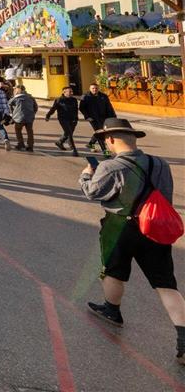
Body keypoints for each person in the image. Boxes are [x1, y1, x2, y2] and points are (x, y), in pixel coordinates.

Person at [79, 118, 185, 365]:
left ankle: (112, 309)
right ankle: (184, 340)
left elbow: (93, 192)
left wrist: (85, 176)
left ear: (111, 139)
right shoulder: (159, 163)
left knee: (113, 270)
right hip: (153, 226)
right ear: (133, 138)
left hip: (119, 226)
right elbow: (165, 194)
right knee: (165, 284)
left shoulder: (109, 166)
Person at [80, 83, 116, 155]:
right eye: (93, 88)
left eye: (96, 88)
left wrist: (113, 116)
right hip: (93, 118)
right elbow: (82, 108)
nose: (94, 90)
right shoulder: (86, 97)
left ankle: (91, 143)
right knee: (100, 133)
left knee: (100, 131)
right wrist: (87, 117)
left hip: (104, 117)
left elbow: (109, 107)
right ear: (90, 89)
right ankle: (105, 151)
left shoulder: (103, 96)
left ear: (98, 88)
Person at [46, 85, 80, 156]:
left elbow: (76, 110)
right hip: (63, 119)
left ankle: (59, 142)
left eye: (72, 91)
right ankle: (73, 149)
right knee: (69, 133)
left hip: (73, 119)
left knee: (67, 133)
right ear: (64, 92)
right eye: (70, 91)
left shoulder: (74, 100)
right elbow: (53, 109)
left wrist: (76, 118)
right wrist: (48, 115)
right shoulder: (59, 100)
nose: (71, 93)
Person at [8, 85, 38, 151]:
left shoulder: (16, 97)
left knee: (18, 130)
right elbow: (36, 107)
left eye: (15, 89)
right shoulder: (30, 97)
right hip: (29, 117)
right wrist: (33, 113)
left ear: (18, 90)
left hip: (19, 118)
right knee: (30, 131)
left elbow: (9, 104)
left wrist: (12, 113)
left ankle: (21, 144)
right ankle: (30, 146)